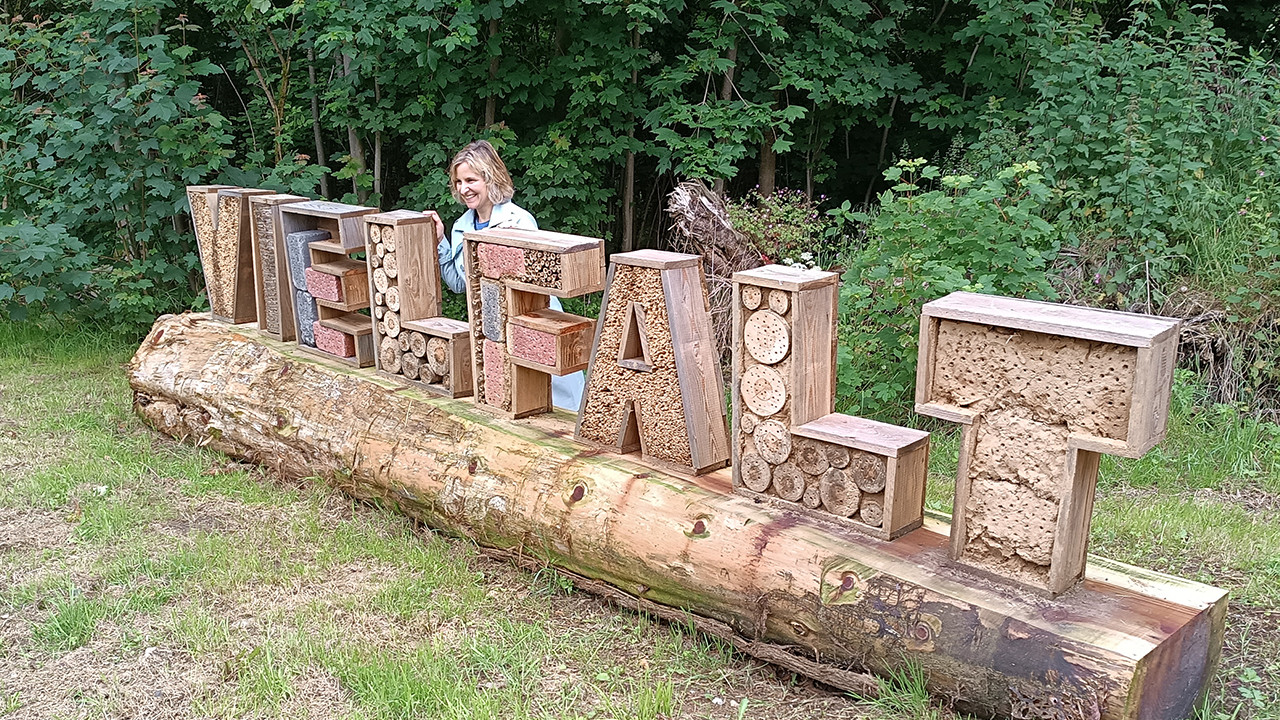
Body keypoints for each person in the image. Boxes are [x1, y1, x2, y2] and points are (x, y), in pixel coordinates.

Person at [422, 140, 585, 412]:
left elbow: (538, 286)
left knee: (557, 405)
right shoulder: (462, 226)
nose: (464, 189)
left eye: (471, 180)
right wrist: (439, 241)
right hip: (493, 333)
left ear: (490, 177)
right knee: (510, 405)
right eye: (459, 182)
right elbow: (459, 284)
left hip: (531, 325)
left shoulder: (518, 221)